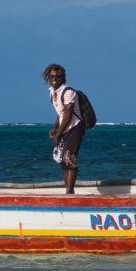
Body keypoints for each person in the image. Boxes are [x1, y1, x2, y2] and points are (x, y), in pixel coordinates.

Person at [44, 63, 85, 194]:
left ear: (63, 78)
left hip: (75, 127)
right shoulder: (52, 93)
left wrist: (58, 134)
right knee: (62, 159)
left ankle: (70, 192)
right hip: (64, 128)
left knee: (69, 158)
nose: (54, 79)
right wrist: (54, 127)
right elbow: (60, 113)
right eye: (52, 76)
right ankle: (68, 191)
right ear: (48, 78)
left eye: (58, 76)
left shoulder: (68, 92)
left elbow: (68, 116)